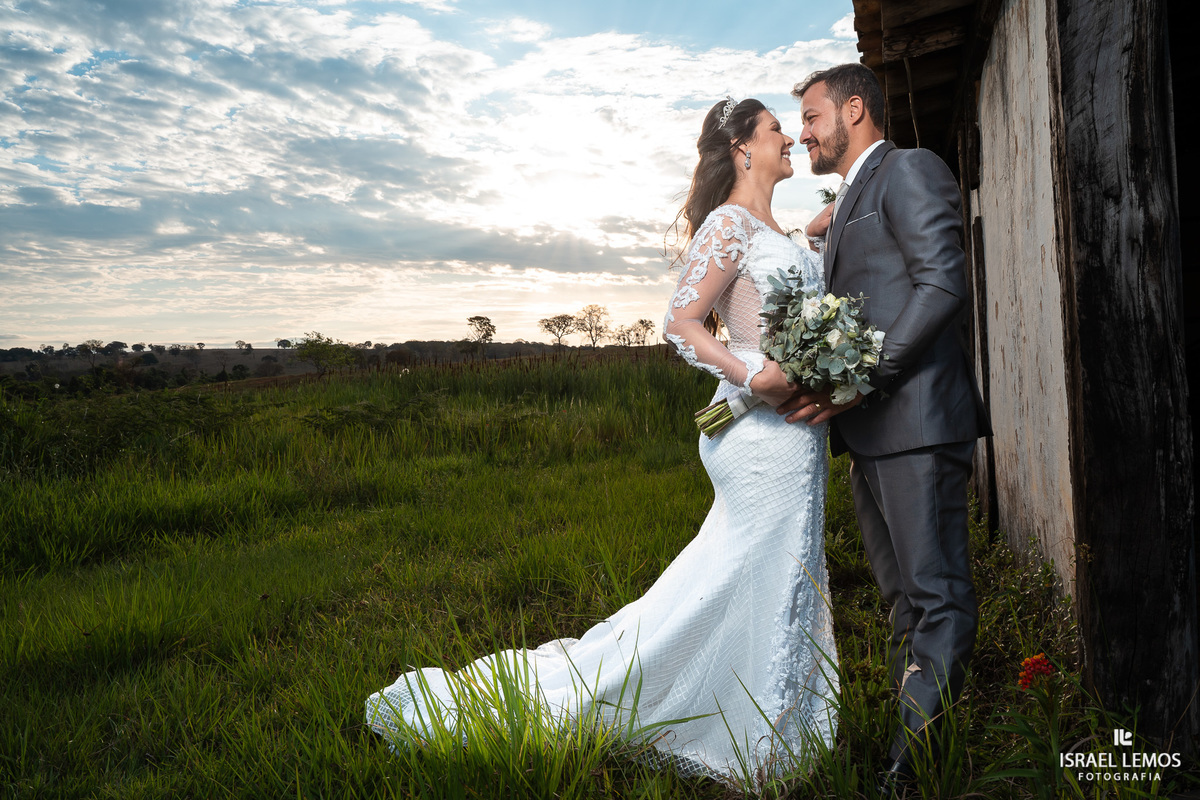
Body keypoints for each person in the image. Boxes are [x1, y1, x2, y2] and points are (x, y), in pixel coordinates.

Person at [364, 97, 840, 784]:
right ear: (742, 147)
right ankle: (740, 728)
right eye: (775, 131)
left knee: (776, 567)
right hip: (754, 430)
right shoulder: (730, 225)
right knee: (756, 566)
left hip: (796, 433)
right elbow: (682, 323)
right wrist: (753, 373)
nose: (790, 138)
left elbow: (793, 304)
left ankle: (776, 718)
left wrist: (820, 242)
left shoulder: (781, 230)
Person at [781, 63, 991, 794]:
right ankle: (917, 744)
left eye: (810, 117)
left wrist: (860, 377)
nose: (803, 132)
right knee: (903, 603)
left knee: (935, 599)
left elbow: (941, 284)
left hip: (918, 423)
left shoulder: (908, 170)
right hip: (870, 433)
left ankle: (907, 777)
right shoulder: (849, 199)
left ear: (855, 110)